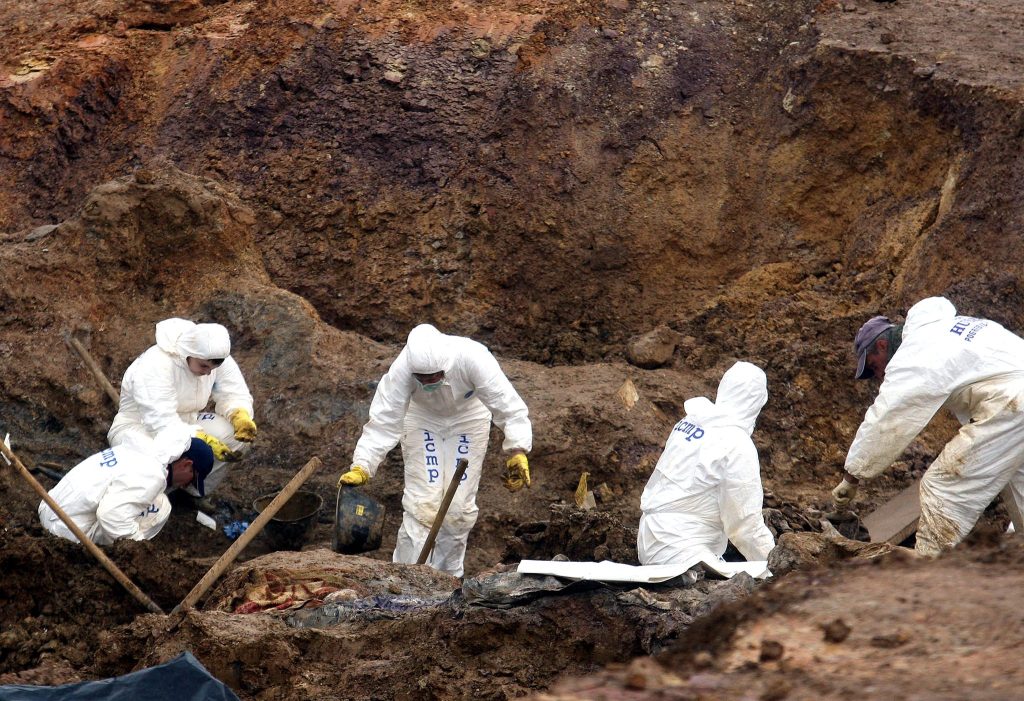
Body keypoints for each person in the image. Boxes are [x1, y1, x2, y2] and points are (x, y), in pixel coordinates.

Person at [336, 323, 533, 578]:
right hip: (422, 419)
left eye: (435, 376)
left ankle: (448, 580)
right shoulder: (403, 369)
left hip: (468, 418)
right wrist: (363, 464)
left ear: (446, 366)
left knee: (458, 510)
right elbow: (385, 420)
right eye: (423, 378)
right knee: (422, 504)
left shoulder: (473, 358)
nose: (429, 382)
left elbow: (507, 405)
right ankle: (407, 577)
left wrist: (517, 449)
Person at [833, 296, 1024, 555]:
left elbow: (887, 419)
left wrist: (852, 475)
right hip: (1013, 401)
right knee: (1019, 485)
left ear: (881, 345)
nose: (877, 376)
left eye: (873, 367)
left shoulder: (915, 353)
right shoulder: (946, 328)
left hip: (1012, 405)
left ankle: (926, 573)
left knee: (944, 487)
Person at [637, 361, 775, 567]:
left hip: (649, 540)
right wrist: (776, 563)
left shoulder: (691, 421)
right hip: (683, 554)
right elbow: (745, 526)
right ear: (757, 402)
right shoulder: (737, 443)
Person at [108, 318, 256, 495]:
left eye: (212, 368)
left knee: (234, 436)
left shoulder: (214, 357)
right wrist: (200, 438)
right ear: (189, 353)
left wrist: (240, 413)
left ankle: (193, 489)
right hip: (140, 429)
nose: (208, 372)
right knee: (160, 455)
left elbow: (233, 392)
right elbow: (161, 423)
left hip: (187, 424)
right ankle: (152, 498)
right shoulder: (157, 364)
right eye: (204, 366)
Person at [38, 438, 214, 545]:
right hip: (66, 532)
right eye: (190, 480)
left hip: (48, 507)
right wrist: (137, 548)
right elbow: (110, 516)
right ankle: (111, 553)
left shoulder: (139, 447)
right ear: (186, 465)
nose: (184, 486)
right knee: (162, 507)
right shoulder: (152, 474)